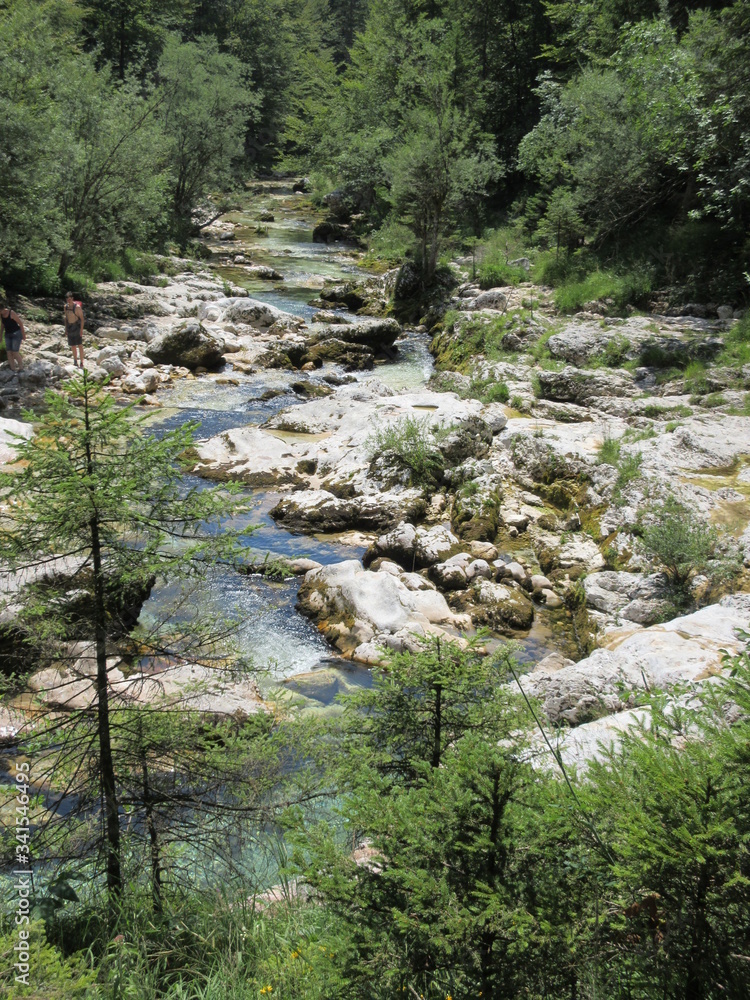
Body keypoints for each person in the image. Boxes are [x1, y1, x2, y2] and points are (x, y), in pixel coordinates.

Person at [1, 302, 25, 373]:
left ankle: (21, 368)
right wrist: (0, 336)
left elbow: (20, 323)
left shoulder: (11, 313)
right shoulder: (1, 315)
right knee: (9, 352)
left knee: (15, 352)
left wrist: (23, 335)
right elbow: (2, 325)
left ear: (2, 309)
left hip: (16, 333)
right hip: (7, 334)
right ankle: (13, 369)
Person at [64, 292, 85, 368]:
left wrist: (81, 330)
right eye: (67, 299)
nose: (68, 300)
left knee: (80, 345)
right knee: (72, 345)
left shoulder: (77, 307)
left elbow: (82, 319)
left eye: (70, 299)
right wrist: (66, 328)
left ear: (72, 298)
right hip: (70, 327)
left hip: (77, 327)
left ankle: (81, 362)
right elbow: (66, 318)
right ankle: (75, 361)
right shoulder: (66, 307)